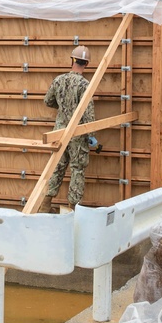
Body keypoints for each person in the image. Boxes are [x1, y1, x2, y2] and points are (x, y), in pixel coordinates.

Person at [39, 46, 97, 212]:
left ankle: (45, 205)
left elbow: (48, 101)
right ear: (86, 63)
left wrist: (63, 107)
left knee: (57, 167)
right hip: (77, 135)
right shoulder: (84, 85)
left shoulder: (59, 80)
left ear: (72, 60)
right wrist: (91, 135)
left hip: (59, 132)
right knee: (77, 170)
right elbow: (88, 113)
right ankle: (73, 209)